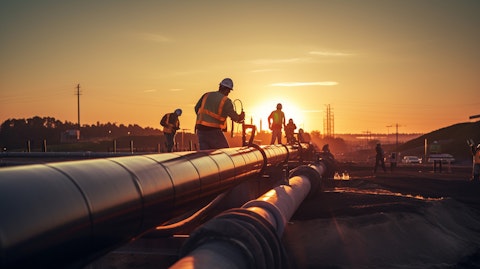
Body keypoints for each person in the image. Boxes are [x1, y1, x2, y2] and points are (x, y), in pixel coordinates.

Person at [194, 78, 245, 150]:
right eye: (229, 91)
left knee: (205, 156)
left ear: (220, 86)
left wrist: (204, 119)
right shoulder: (226, 101)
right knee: (224, 154)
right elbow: (235, 117)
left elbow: (196, 108)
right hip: (213, 131)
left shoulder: (206, 95)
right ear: (227, 90)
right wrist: (240, 117)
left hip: (200, 130)